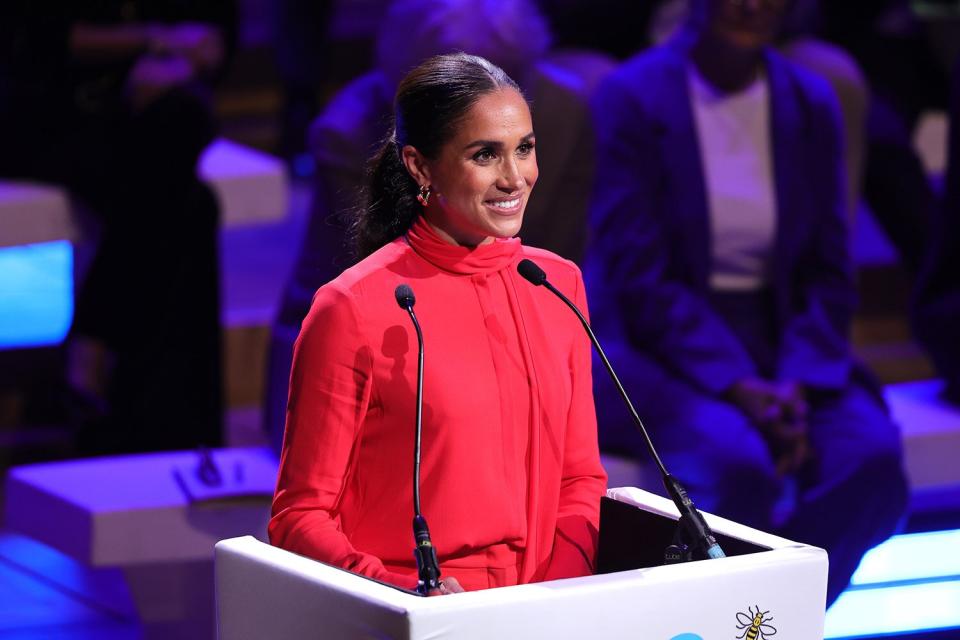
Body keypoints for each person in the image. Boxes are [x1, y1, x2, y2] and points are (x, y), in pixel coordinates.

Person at [584, 0, 907, 606]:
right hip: (659, 343)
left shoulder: (811, 99)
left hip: (784, 339)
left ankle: (769, 621)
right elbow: (639, 276)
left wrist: (794, 381)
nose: (752, 4)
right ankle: (730, 619)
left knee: (873, 465)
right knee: (738, 467)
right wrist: (737, 383)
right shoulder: (632, 95)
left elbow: (829, 268)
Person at [269, 53, 607, 593]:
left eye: (525, 148)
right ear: (420, 167)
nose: (514, 177)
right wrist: (400, 596)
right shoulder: (351, 309)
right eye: (485, 155)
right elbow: (300, 516)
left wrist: (557, 598)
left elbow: (580, 478)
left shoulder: (557, 285)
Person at [263, 0, 613, 451]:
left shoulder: (566, 114)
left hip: (518, 330)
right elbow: (372, 287)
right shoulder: (350, 132)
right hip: (387, 341)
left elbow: (558, 265)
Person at [0, 2, 233, 454]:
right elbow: (37, 39)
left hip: (149, 112)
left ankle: (95, 343)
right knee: (187, 203)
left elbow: (216, 33)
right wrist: (154, 42)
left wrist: (177, 62)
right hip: (53, 109)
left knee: (184, 168)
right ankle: (172, 427)